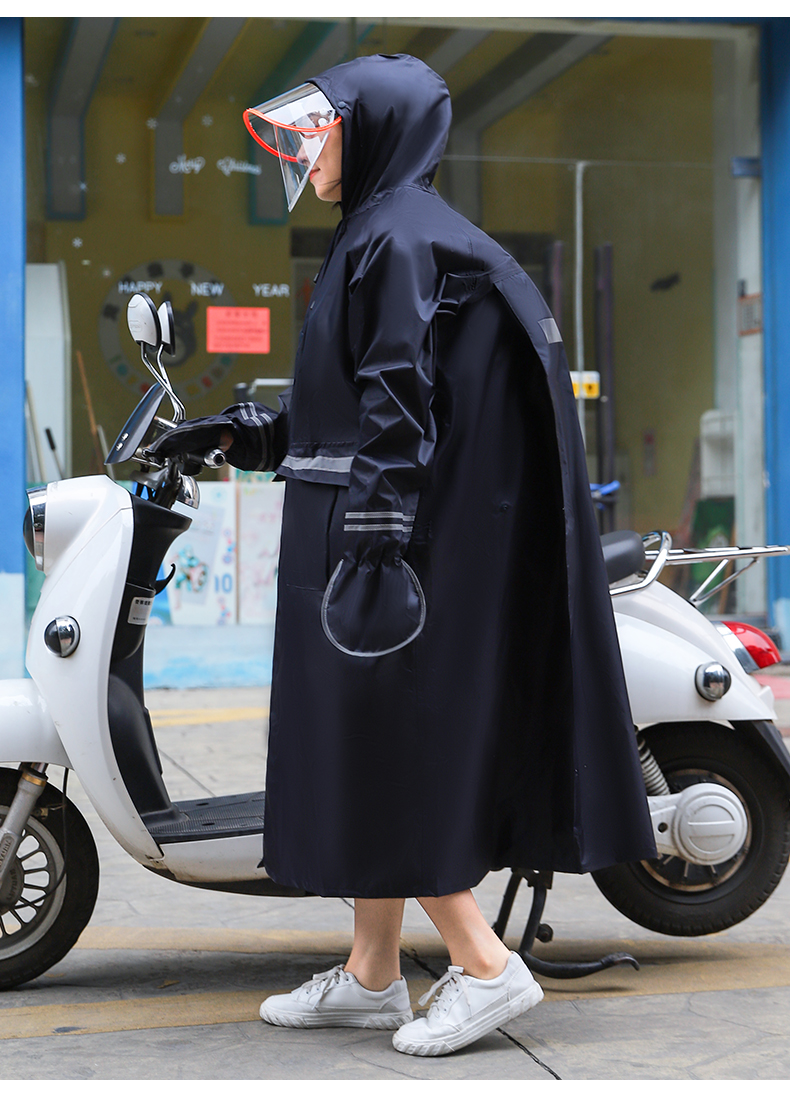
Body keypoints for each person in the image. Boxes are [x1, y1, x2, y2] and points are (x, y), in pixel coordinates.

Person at [151, 53, 656, 1058]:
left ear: (375, 127)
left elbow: (398, 403)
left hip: (385, 551)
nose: (303, 152)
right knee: (364, 743)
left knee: (382, 751)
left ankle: (485, 964)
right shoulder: (390, 234)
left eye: (320, 131)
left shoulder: (394, 239)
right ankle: (374, 972)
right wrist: (245, 433)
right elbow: (353, 400)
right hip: (377, 538)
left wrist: (376, 543)